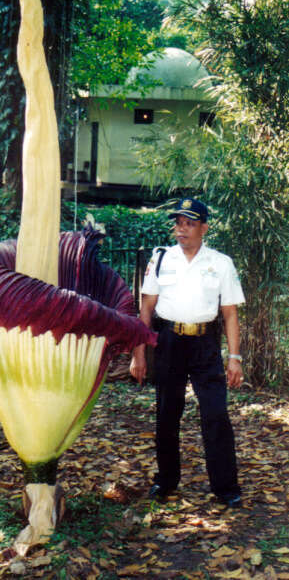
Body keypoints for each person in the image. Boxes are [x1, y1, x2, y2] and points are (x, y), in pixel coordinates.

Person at [130, 198, 245, 507]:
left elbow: (230, 313)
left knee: (215, 414)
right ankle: (166, 482)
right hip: (168, 341)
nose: (182, 229)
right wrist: (138, 354)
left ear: (204, 228)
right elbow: (146, 307)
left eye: (189, 223)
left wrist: (234, 358)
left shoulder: (221, 263)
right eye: (179, 222)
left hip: (205, 345)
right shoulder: (162, 259)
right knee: (167, 412)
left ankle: (226, 487)